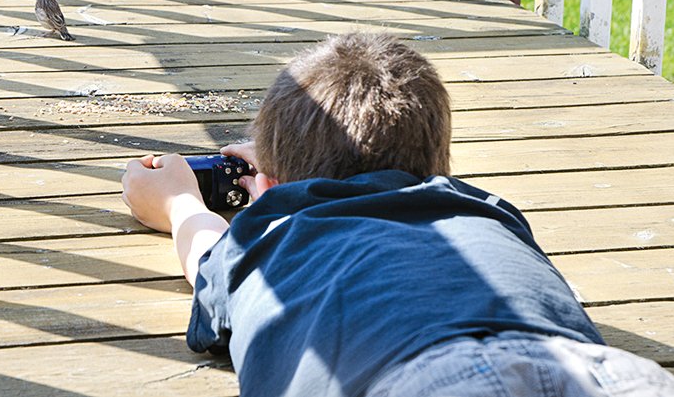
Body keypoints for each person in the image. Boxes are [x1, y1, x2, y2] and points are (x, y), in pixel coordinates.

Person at [122, 33, 674, 397]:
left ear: (268, 187)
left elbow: (205, 253)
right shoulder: (487, 215)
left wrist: (178, 202)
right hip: (602, 378)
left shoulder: (262, 248)